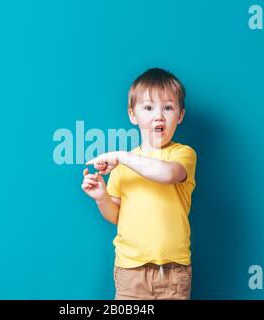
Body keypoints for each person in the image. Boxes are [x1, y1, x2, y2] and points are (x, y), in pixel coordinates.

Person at [82, 67, 197, 300]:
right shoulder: (122, 165)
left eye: (168, 107)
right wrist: (102, 198)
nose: (159, 115)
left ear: (180, 115)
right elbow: (116, 215)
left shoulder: (183, 155)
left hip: (173, 272)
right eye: (148, 107)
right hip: (130, 270)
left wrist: (121, 156)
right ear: (133, 115)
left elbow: (167, 174)